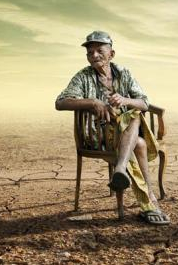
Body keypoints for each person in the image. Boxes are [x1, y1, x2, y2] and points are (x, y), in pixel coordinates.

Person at [55, 31, 169, 224]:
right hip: (98, 134)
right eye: (90, 52)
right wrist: (93, 102)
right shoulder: (83, 76)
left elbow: (145, 103)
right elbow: (60, 103)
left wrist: (125, 100)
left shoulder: (124, 73)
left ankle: (122, 169)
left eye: (99, 50)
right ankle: (149, 200)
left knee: (136, 124)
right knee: (136, 129)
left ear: (112, 54)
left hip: (125, 135)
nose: (94, 55)